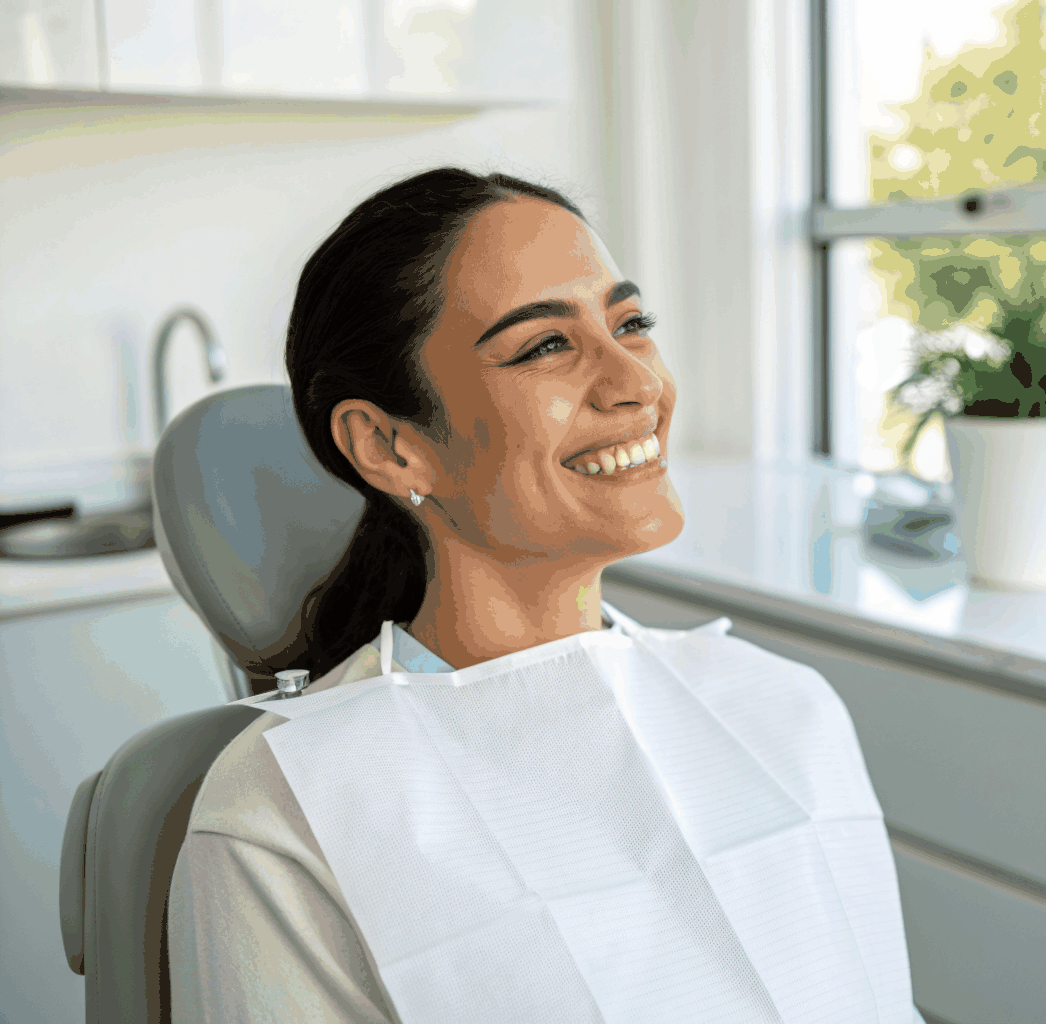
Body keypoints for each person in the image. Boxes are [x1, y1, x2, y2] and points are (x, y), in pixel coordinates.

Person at [168, 168, 916, 1022]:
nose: (635, 380)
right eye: (545, 346)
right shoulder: (288, 812)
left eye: (630, 323)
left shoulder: (782, 709)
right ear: (390, 446)